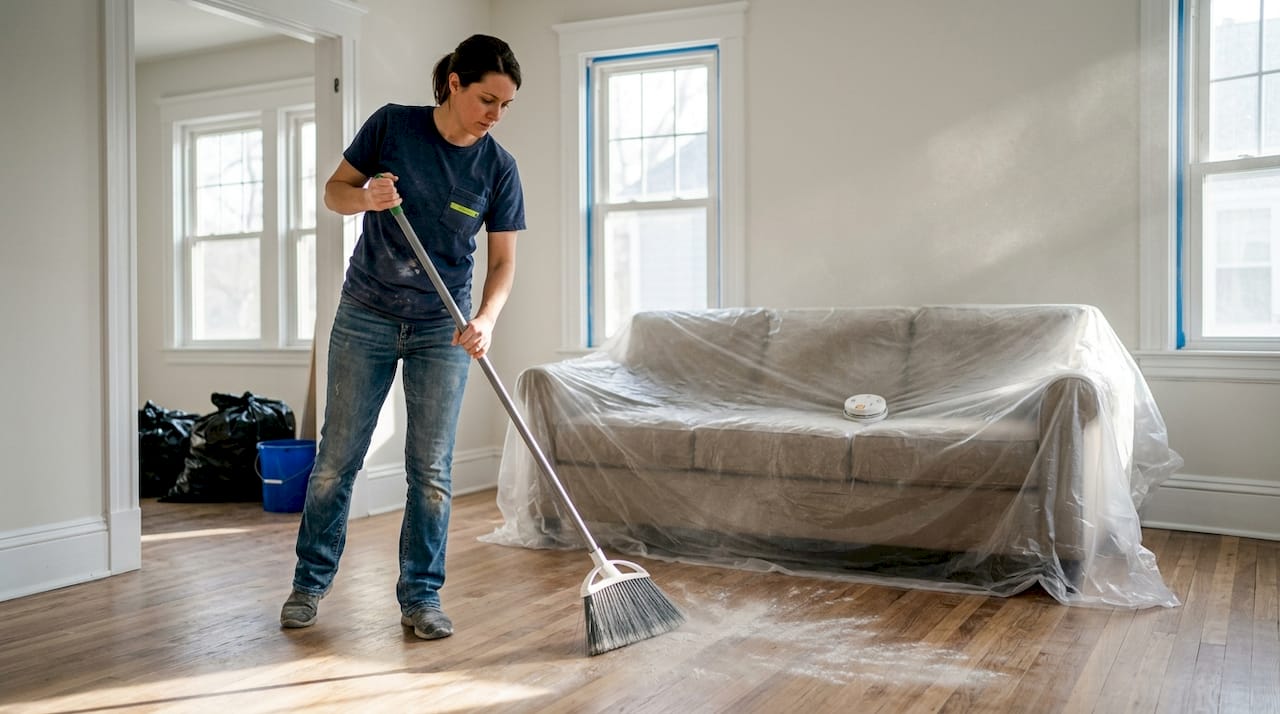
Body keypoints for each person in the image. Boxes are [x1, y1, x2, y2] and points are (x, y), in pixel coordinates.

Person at [280, 34, 524, 640]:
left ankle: (421, 597)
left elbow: (502, 263)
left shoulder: (498, 168)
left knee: (431, 470)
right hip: (366, 313)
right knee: (337, 460)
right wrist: (366, 197)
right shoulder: (393, 126)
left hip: (444, 326)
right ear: (454, 84)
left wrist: (486, 319)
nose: (495, 115)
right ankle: (308, 585)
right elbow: (334, 192)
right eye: (487, 99)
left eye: (505, 105)